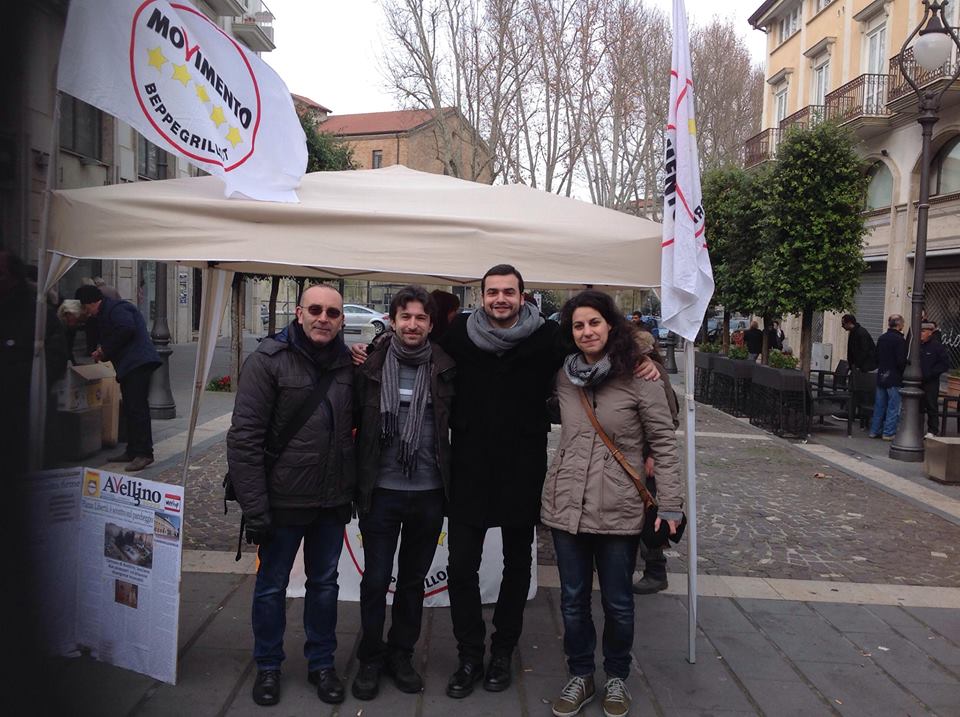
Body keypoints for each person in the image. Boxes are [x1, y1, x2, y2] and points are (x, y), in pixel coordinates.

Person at [350, 266, 660, 699]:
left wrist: (644, 356)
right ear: (481, 296)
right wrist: (368, 348)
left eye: (508, 292)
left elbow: (605, 342)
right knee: (460, 569)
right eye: (492, 292)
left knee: (517, 568)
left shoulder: (547, 338)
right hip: (468, 471)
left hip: (523, 469)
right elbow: (408, 340)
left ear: (521, 295)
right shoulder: (458, 334)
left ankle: (502, 653)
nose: (500, 299)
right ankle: (470, 654)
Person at [543, 290, 682, 717]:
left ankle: (617, 675)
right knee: (572, 598)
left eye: (594, 323)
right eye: (578, 325)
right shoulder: (564, 376)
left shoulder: (641, 376)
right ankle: (581, 673)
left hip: (619, 506)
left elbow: (664, 443)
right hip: (567, 504)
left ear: (611, 326)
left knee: (619, 602)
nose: (586, 331)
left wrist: (671, 505)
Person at [226, 284, 356, 707]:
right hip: (281, 503)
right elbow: (244, 439)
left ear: (341, 320)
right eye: (315, 310)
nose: (324, 318)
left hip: (331, 501)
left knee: (325, 586)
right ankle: (268, 666)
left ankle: (322, 663)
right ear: (299, 313)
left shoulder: (346, 364)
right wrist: (255, 507)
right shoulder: (268, 360)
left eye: (332, 313)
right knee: (271, 587)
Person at [352, 286, 455, 701]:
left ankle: (401, 654)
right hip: (381, 490)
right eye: (405, 316)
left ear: (431, 324)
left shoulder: (447, 367)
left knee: (412, 580)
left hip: (429, 492)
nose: (413, 324)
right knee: (376, 580)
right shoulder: (368, 365)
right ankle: (370, 658)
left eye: (421, 318)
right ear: (392, 320)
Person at [76, 285, 160, 472]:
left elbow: (126, 328)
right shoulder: (105, 312)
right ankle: (132, 450)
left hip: (138, 364)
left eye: (86, 307)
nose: (86, 312)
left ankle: (144, 453)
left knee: (137, 409)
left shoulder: (116, 308)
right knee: (130, 408)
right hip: (131, 365)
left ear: (91, 302)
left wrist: (104, 350)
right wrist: (102, 352)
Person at [870, 314, 908, 440]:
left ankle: (874, 430)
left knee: (879, 405)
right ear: (899, 325)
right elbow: (901, 361)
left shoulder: (882, 338)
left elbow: (876, 357)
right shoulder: (900, 340)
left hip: (882, 376)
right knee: (893, 406)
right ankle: (888, 432)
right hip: (894, 377)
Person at [920, 320, 950, 437]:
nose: (920, 334)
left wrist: (931, 373)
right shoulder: (916, 345)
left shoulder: (937, 347)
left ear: (930, 332)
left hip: (931, 381)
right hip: (917, 380)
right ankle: (917, 428)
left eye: (923, 331)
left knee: (931, 405)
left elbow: (944, 364)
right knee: (917, 406)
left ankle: (933, 430)